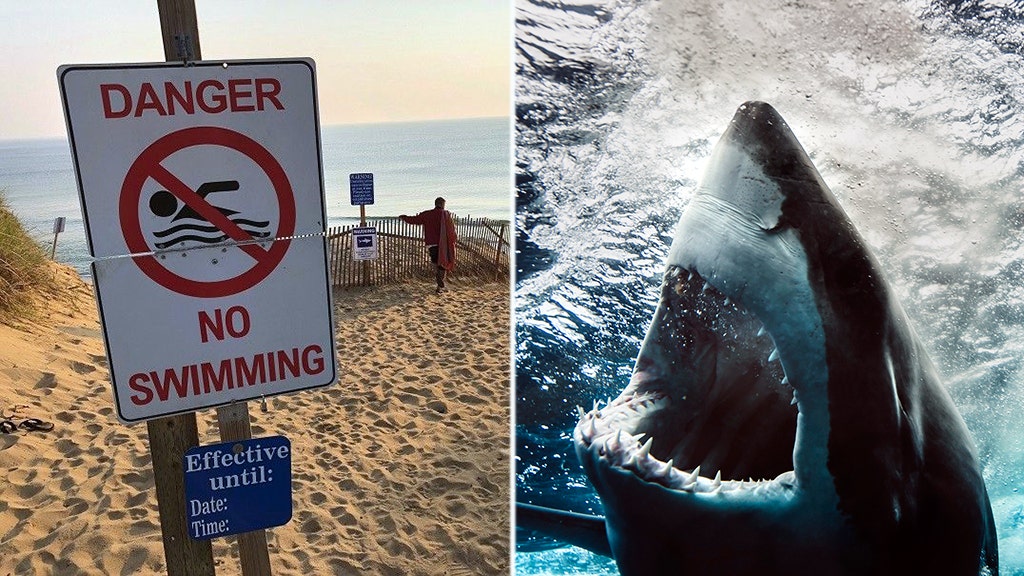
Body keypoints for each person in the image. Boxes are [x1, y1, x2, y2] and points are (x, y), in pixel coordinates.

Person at [400, 197, 457, 294]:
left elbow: (415, 220)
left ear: (435, 204)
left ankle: (440, 284)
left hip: (431, 243)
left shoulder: (427, 214)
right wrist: (453, 239)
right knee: (442, 263)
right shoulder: (445, 214)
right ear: (442, 204)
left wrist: (405, 218)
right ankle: (440, 285)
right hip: (442, 244)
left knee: (436, 263)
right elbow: (451, 229)